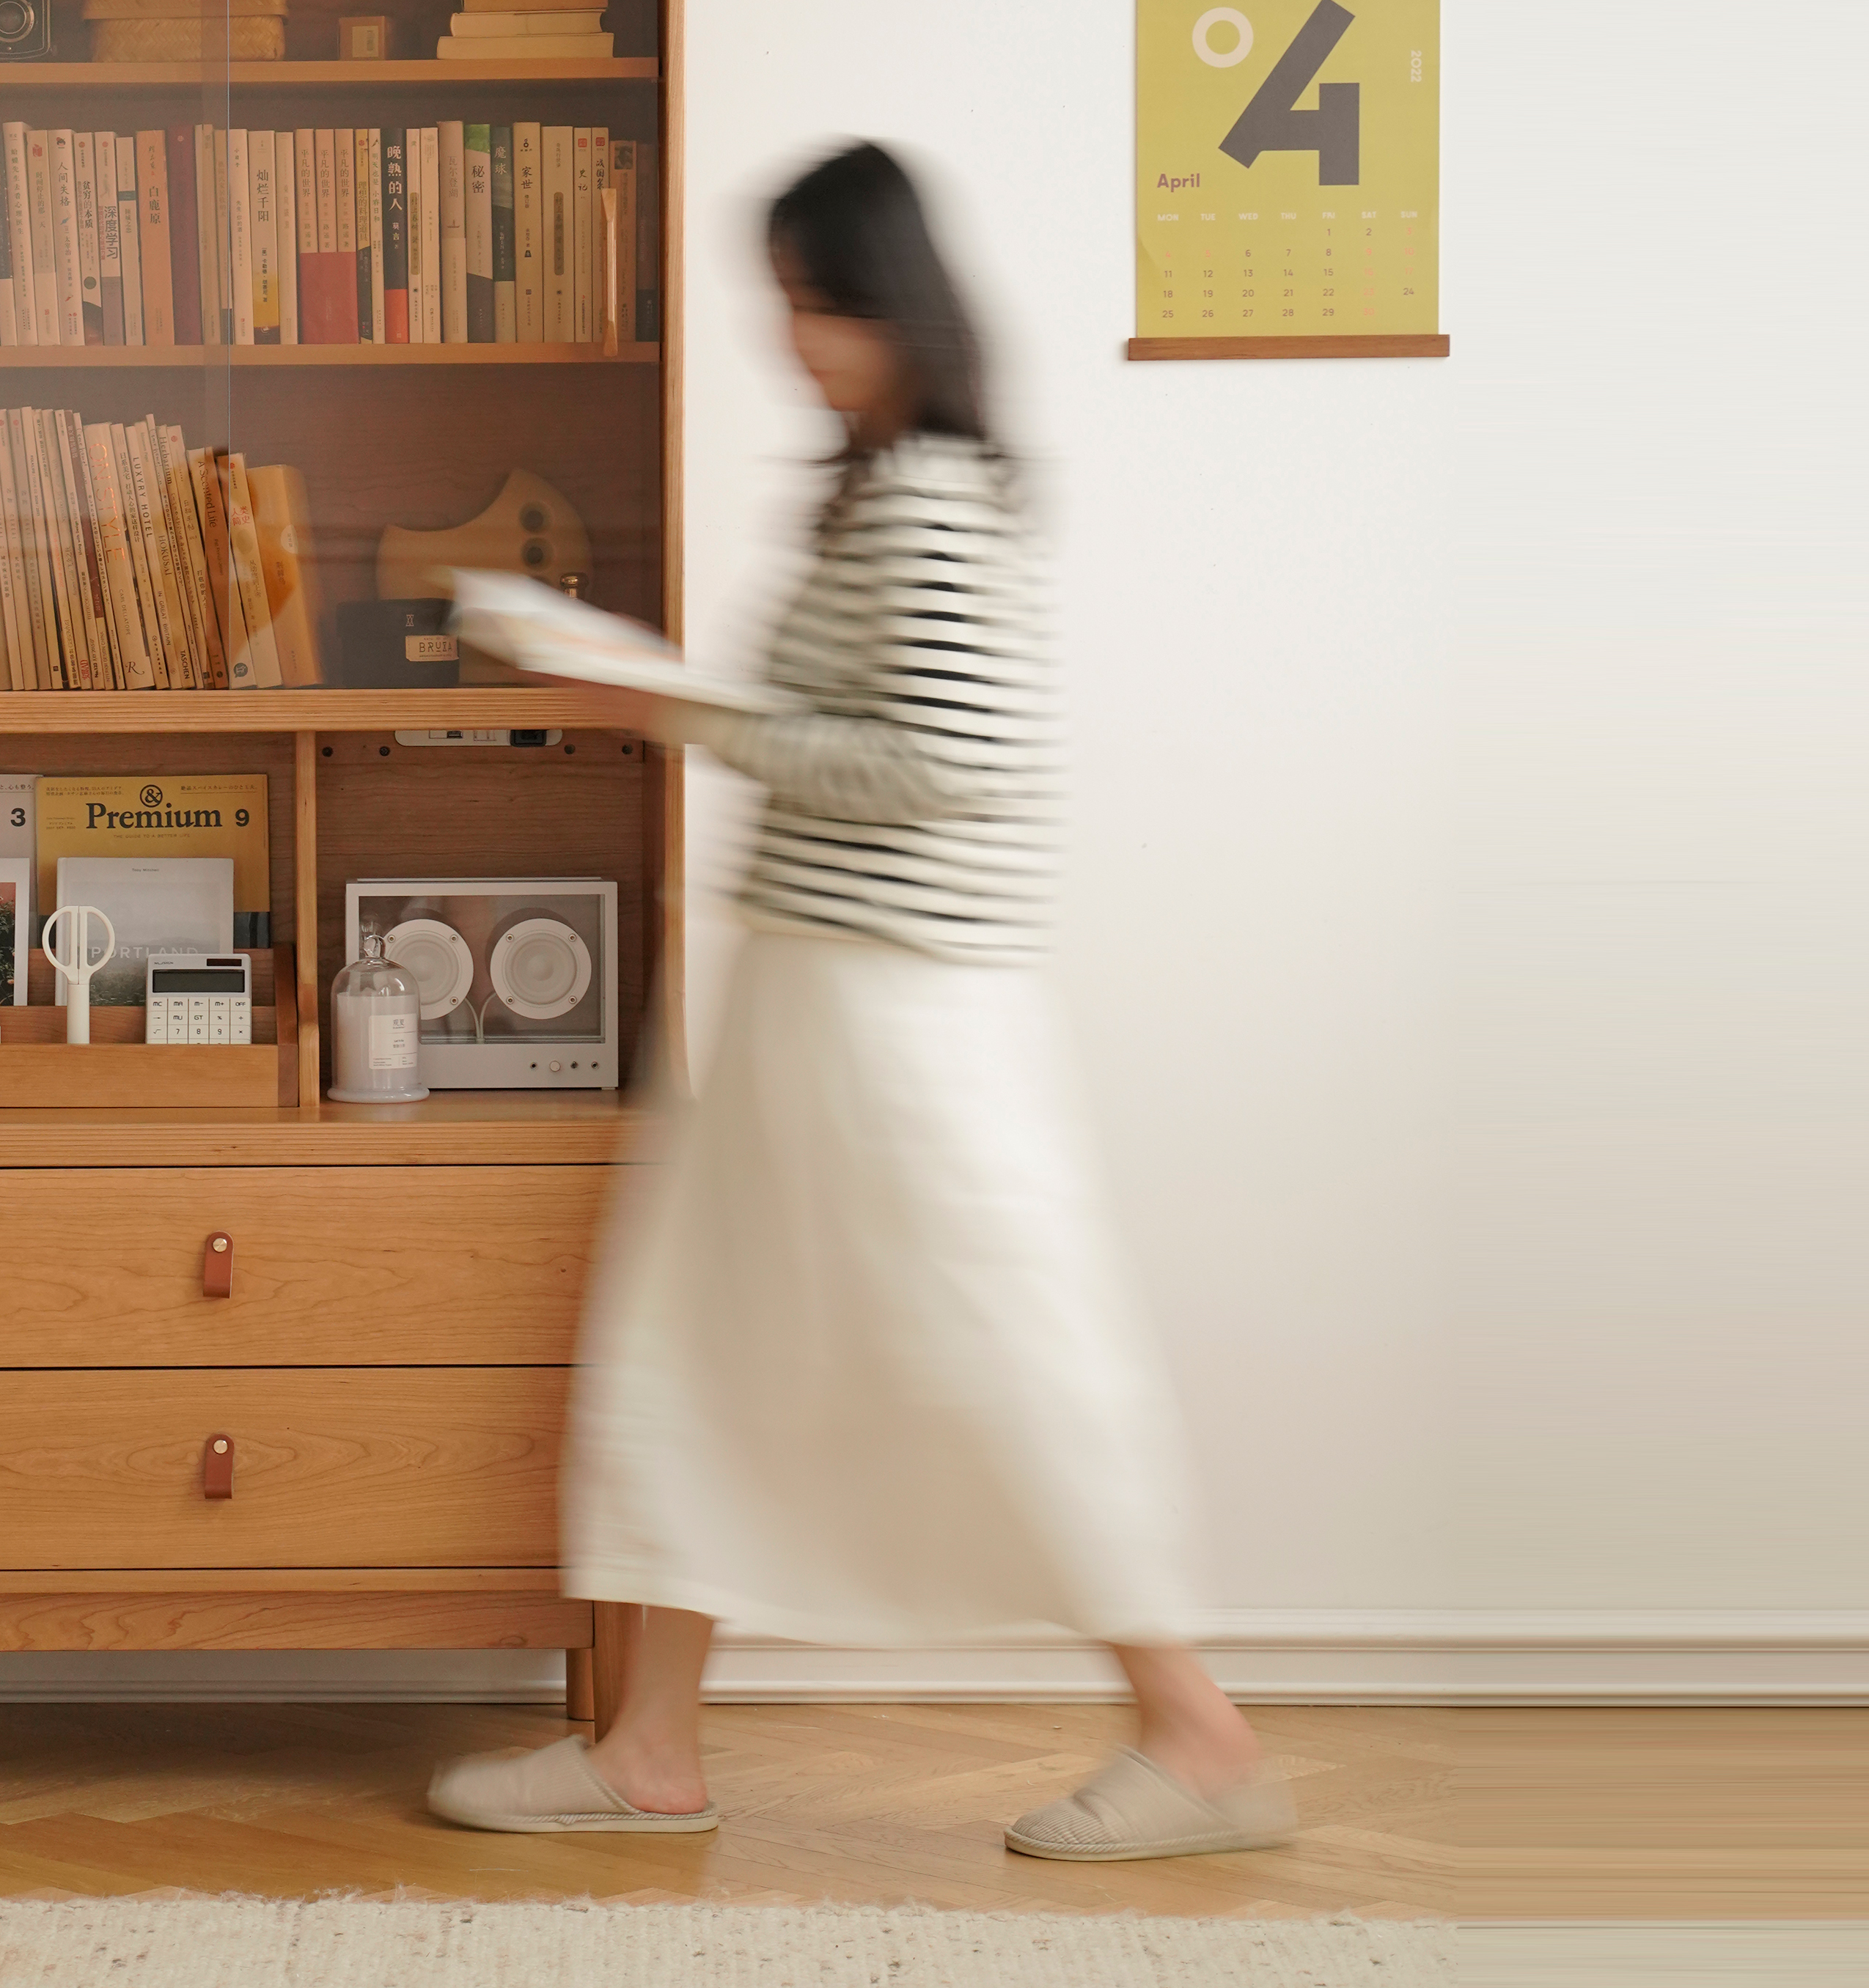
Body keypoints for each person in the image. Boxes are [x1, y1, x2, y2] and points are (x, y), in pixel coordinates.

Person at [425, 142, 1292, 1861]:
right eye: (782, 301)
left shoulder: (931, 497)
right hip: (817, 993)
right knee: (706, 1345)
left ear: (899, 304)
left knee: (1004, 1351)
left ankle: (1199, 1735)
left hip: (901, 1014)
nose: (791, 338)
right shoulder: (889, 486)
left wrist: (658, 702)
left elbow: (939, 766)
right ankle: (650, 1746)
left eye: (816, 303)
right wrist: (672, 693)